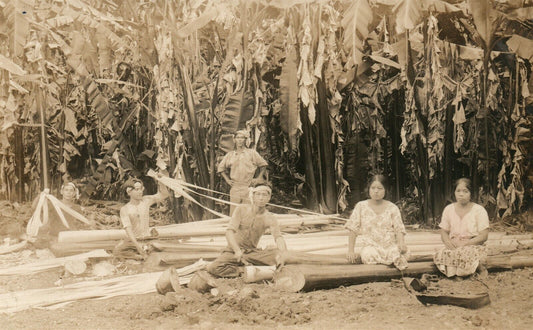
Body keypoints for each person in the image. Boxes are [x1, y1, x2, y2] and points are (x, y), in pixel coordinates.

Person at [207, 180, 287, 278]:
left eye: (264, 195)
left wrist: (283, 255)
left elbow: (278, 237)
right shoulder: (241, 209)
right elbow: (229, 232)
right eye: (258, 194)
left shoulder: (270, 217)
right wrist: (237, 250)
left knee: (277, 258)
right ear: (253, 196)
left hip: (252, 253)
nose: (261, 198)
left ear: (269, 198)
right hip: (233, 251)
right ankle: (241, 270)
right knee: (214, 267)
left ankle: (249, 267)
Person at [345, 175, 409, 270]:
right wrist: (351, 251)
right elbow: (353, 229)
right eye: (373, 188)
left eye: (380, 188)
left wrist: (401, 243)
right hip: (371, 247)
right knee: (368, 255)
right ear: (368, 189)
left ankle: (390, 262)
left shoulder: (392, 208)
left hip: (389, 246)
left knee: (400, 253)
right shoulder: (361, 206)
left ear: (385, 190)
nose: (376, 191)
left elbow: (399, 229)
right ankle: (387, 265)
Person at [434, 178, 489, 277]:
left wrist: (466, 243)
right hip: (454, 245)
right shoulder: (448, 209)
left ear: (471, 193)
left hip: (473, 245)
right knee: (441, 253)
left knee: (464, 254)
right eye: (458, 191)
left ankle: (473, 269)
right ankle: (459, 272)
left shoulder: (479, 210)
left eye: (465, 191)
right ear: (454, 192)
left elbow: (484, 236)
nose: (461, 194)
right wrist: (448, 242)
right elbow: (444, 231)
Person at [113, 176, 168, 258]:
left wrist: (161, 180)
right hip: (133, 242)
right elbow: (129, 231)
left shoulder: (146, 201)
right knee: (117, 253)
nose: (140, 192)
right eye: (137, 189)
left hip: (147, 239)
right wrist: (138, 246)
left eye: (141, 189)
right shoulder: (125, 209)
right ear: (129, 192)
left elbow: (164, 194)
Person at [217, 129, 268, 215]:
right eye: (238, 138)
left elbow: (263, 165)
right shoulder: (230, 155)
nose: (240, 140)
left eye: (242, 138)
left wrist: (258, 178)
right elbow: (221, 168)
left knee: (248, 213)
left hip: (248, 187)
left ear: (245, 140)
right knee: (234, 213)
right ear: (234, 140)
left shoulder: (251, 153)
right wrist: (228, 180)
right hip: (235, 188)